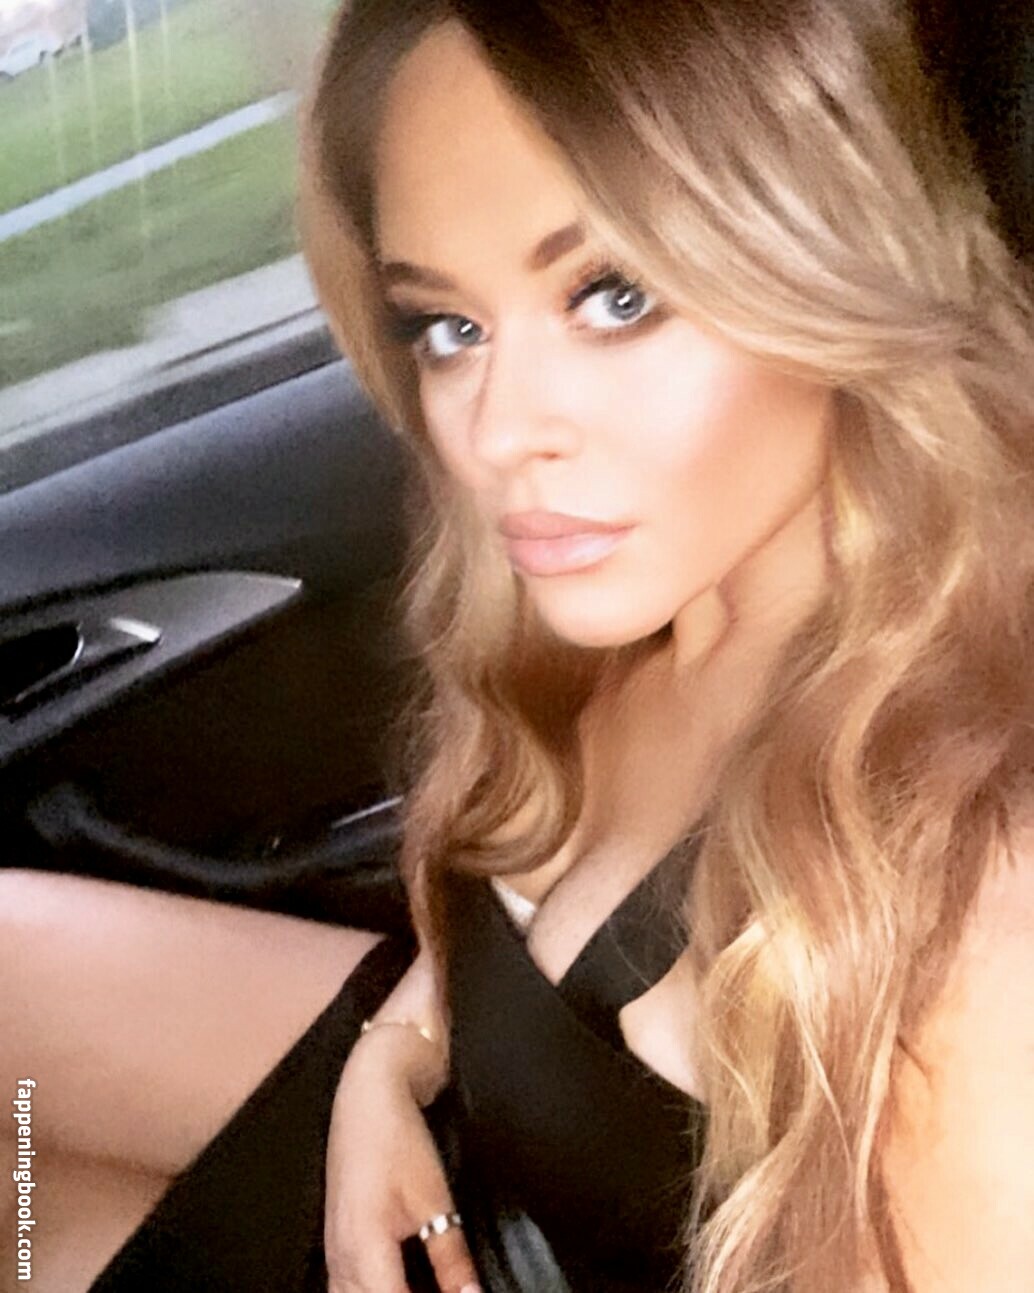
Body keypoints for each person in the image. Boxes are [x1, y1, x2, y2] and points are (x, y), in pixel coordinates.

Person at [1, 1, 1030, 1290]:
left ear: (835, 257)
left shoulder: (974, 902)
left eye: (614, 296)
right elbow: (519, 919)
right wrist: (394, 1058)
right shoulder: (652, 614)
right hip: (457, 1162)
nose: (491, 437)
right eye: (449, 327)